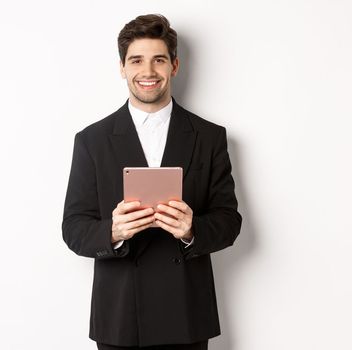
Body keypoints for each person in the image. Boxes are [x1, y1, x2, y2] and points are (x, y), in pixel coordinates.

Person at [62, 14, 242, 350]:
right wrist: (112, 231)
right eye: (136, 60)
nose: (148, 71)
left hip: (186, 316)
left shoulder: (209, 137)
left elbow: (229, 221)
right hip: (120, 319)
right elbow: (72, 228)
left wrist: (193, 230)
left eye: (158, 59)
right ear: (122, 68)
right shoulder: (92, 140)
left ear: (174, 66)